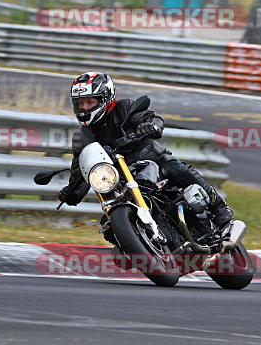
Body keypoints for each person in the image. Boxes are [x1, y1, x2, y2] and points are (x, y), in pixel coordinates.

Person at [57, 72, 235, 231]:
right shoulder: (82, 138)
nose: (85, 108)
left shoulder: (125, 108)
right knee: (108, 227)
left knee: (177, 169)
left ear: (105, 99)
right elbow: (82, 172)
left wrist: (151, 125)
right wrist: (71, 193)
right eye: (81, 103)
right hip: (120, 183)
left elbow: (151, 117)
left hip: (152, 160)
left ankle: (219, 207)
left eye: (90, 102)